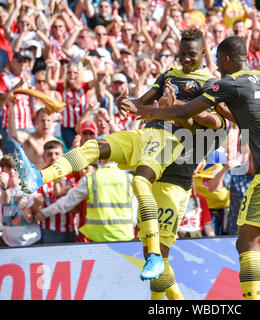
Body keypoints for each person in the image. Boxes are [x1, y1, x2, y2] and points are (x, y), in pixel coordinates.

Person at [11, 29, 221, 287]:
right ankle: (38, 177)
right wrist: (128, 102)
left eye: (192, 54)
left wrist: (170, 109)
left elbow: (199, 124)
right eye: (182, 53)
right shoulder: (168, 75)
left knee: (140, 188)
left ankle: (155, 257)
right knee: (95, 146)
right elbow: (141, 102)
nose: (186, 59)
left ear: (203, 53)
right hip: (146, 135)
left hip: (171, 145)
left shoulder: (209, 84)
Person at [135, 36, 260, 300]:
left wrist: (149, 112)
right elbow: (243, 117)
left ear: (225, 60)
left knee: (246, 241)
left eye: (218, 62)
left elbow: (187, 111)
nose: (217, 69)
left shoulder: (229, 82)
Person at [35, 161, 135, 243]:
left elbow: (66, 202)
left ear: (100, 160)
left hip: (98, 238)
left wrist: (44, 213)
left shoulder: (92, 179)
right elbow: (135, 211)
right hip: (125, 236)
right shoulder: (129, 179)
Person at [37, 140, 80, 244]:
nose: (53, 157)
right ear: (44, 157)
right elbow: (38, 209)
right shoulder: (39, 178)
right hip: (49, 231)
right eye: (49, 154)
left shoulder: (74, 175)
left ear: (63, 155)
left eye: (57, 153)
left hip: (71, 229)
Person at [0, 154, 43, 247]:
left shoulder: (29, 190)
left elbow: (32, 220)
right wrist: (4, 187)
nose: (12, 172)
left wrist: (25, 209)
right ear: (2, 172)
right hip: (7, 243)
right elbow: (6, 201)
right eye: (8, 169)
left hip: (31, 241)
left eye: (15, 169)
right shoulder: (1, 189)